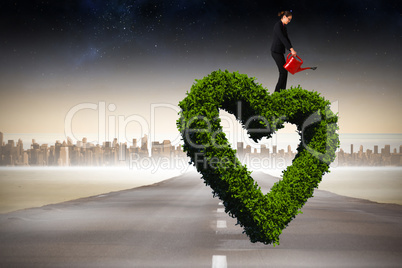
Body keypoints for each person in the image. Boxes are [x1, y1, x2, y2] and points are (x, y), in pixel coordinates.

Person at [271, 11, 297, 93]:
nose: (289, 21)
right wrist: (291, 49)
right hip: (275, 52)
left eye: (290, 20)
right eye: (288, 19)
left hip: (280, 52)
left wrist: (291, 48)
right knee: (283, 72)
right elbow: (282, 38)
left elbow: (287, 38)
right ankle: (277, 93)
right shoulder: (277, 26)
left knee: (284, 72)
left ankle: (282, 92)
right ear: (284, 17)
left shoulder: (283, 27)